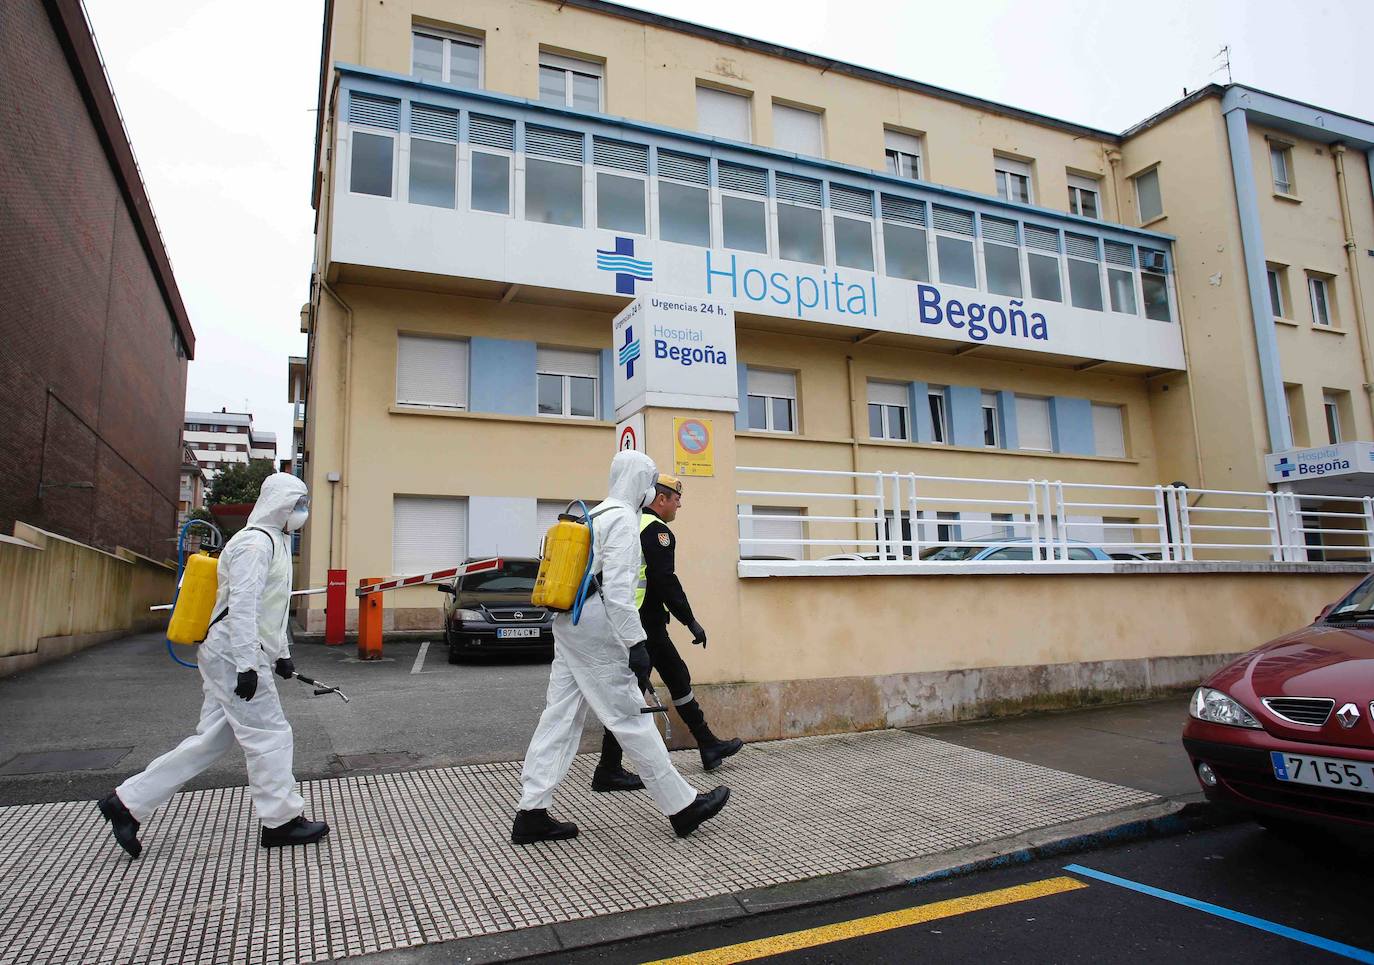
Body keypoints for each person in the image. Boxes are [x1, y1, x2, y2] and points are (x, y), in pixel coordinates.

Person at [97, 472, 328, 858]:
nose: (302, 512)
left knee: (211, 741)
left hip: (237, 652)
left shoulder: (276, 542)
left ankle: (126, 803)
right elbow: (242, 607)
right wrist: (247, 665)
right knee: (270, 733)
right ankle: (280, 821)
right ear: (280, 505)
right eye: (297, 504)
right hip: (232, 653)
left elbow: (271, 610)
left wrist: (282, 655)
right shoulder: (255, 544)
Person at [513, 450, 730, 843]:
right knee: (631, 715)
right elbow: (617, 593)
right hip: (597, 630)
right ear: (638, 483)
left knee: (559, 717)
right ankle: (682, 807)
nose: (652, 490)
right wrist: (636, 643)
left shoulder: (594, 515)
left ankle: (531, 811)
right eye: (649, 481)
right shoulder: (625, 523)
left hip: (569, 625)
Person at [593, 474, 743, 793]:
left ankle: (708, 745)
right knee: (632, 693)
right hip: (644, 624)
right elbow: (665, 581)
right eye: (676, 498)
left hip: (632, 621)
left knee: (675, 677)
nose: (679, 504)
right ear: (661, 499)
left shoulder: (631, 522)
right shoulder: (657, 531)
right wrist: (691, 621)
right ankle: (608, 769)